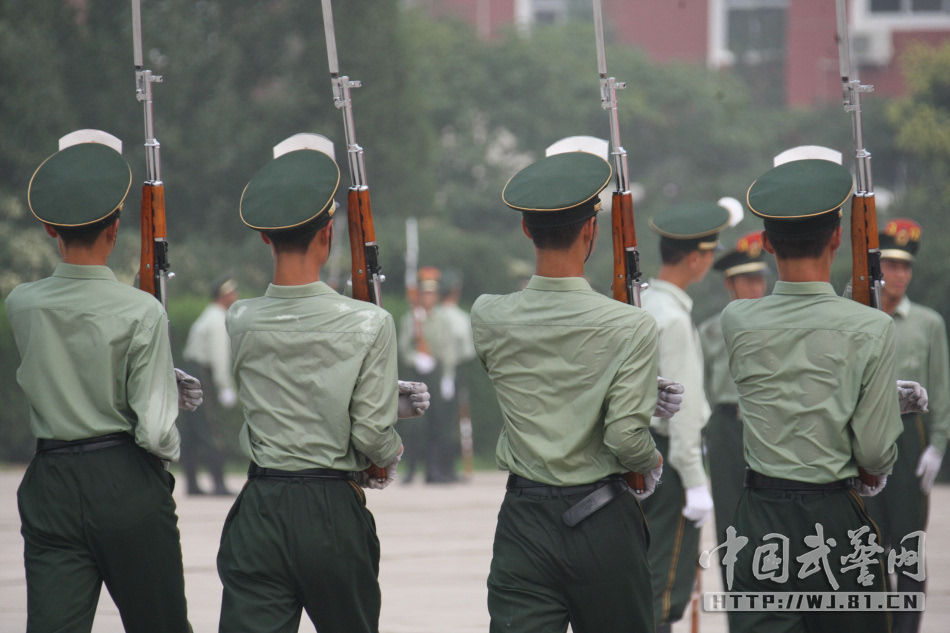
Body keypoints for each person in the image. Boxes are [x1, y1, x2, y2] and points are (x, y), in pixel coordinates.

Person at [215, 137, 429, 633]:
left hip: (261, 504)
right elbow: (371, 436)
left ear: (266, 238)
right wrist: (385, 450)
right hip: (332, 507)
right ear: (328, 233)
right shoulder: (368, 323)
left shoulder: (241, 318)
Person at [5, 130, 200, 633]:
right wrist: (165, 398)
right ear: (116, 228)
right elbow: (155, 432)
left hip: (51, 479)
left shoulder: (21, 304)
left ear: (49, 228)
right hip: (125, 479)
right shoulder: (141, 310)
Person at [472, 151, 669, 632]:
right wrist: (651, 461)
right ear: (591, 230)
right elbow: (625, 438)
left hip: (524, 519)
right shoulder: (633, 326)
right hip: (603, 520)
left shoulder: (488, 316)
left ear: (525, 230)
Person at [721, 158, 903, 633]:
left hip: (761, 514)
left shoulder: (737, 320)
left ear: (765, 243)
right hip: (835, 513)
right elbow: (874, 452)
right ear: (837, 238)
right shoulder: (873, 328)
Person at [639, 201, 729, 632]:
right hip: (669, 459)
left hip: (639, 454)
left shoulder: (644, 302)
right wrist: (695, 480)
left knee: (640, 579)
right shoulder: (672, 319)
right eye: (710, 253)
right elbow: (683, 410)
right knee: (664, 588)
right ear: (695, 258)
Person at [864, 217, 949, 633]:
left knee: (907, 548)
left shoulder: (928, 323)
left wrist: (938, 443)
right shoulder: (858, 316)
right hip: (862, 438)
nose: (900, 275)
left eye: (906, 266)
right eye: (892, 265)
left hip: (909, 437)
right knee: (866, 546)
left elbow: (941, 388)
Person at [698, 232, 770, 555]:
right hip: (727, 429)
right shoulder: (710, 331)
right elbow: (700, 389)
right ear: (730, 282)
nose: (756, 287)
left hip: (769, 427)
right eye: (747, 280)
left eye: (760, 279)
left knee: (770, 522)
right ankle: (737, 603)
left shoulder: (780, 328)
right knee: (730, 523)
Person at [179, 274, 239, 495]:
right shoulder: (218, 319)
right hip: (202, 373)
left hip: (192, 369)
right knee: (209, 426)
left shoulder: (210, 315)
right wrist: (225, 387)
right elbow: (219, 357)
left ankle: (193, 483)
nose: (235, 296)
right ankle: (219, 483)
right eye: (232, 293)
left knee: (193, 429)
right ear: (223, 296)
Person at [398, 266, 459, 483]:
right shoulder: (410, 318)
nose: (429, 297)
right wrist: (416, 358)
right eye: (425, 293)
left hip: (436, 373)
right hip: (416, 375)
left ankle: (433, 471)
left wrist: (447, 376)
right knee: (415, 426)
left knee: (437, 423)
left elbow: (448, 349)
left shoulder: (441, 319)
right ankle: (411, 469)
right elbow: (403, 347)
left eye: (433, 294)